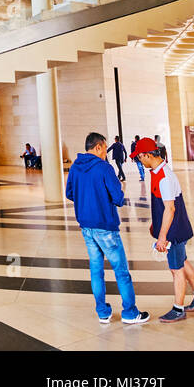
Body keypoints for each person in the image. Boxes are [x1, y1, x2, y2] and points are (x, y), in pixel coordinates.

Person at [65, 132, 149, 325]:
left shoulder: (75, 167)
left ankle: (102, 312)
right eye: (104, 148)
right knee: (121, 271)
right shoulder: (104, 168)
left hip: (86, 226)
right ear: (97, 147)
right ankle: (130, 312)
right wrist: (120, 189)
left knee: (96, 271)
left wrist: (86, 199)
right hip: (106, 226)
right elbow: (118, 198)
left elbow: (70, 193)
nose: (106, 152)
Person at [135, 137, 194, 322]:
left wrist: (162, 237)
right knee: (182, 261)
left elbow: (170, 208)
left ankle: (178, 309)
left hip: (173, 233)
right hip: (177, 229)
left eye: (139, 157)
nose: (139, 160)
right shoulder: (158, 172)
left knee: (176, 269)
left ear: (147, 155)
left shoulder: (164, 177)